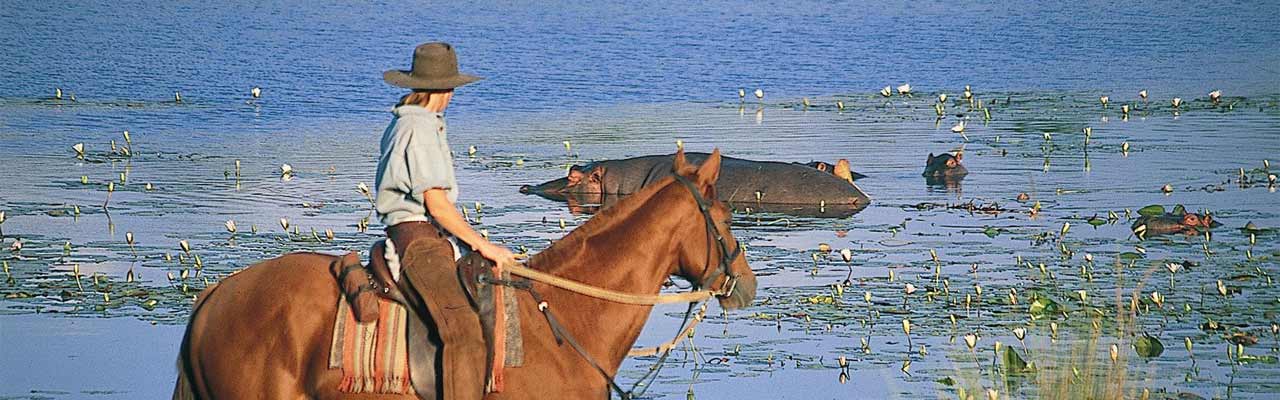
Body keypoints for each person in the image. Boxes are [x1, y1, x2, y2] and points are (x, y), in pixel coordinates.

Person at [377, 41, 515, 400]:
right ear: (448, 89)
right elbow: (436, 206)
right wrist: (483, 244)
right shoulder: (419, 127)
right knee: (464, 332)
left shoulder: (420, 122)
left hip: (430, 236)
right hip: (418, 241)